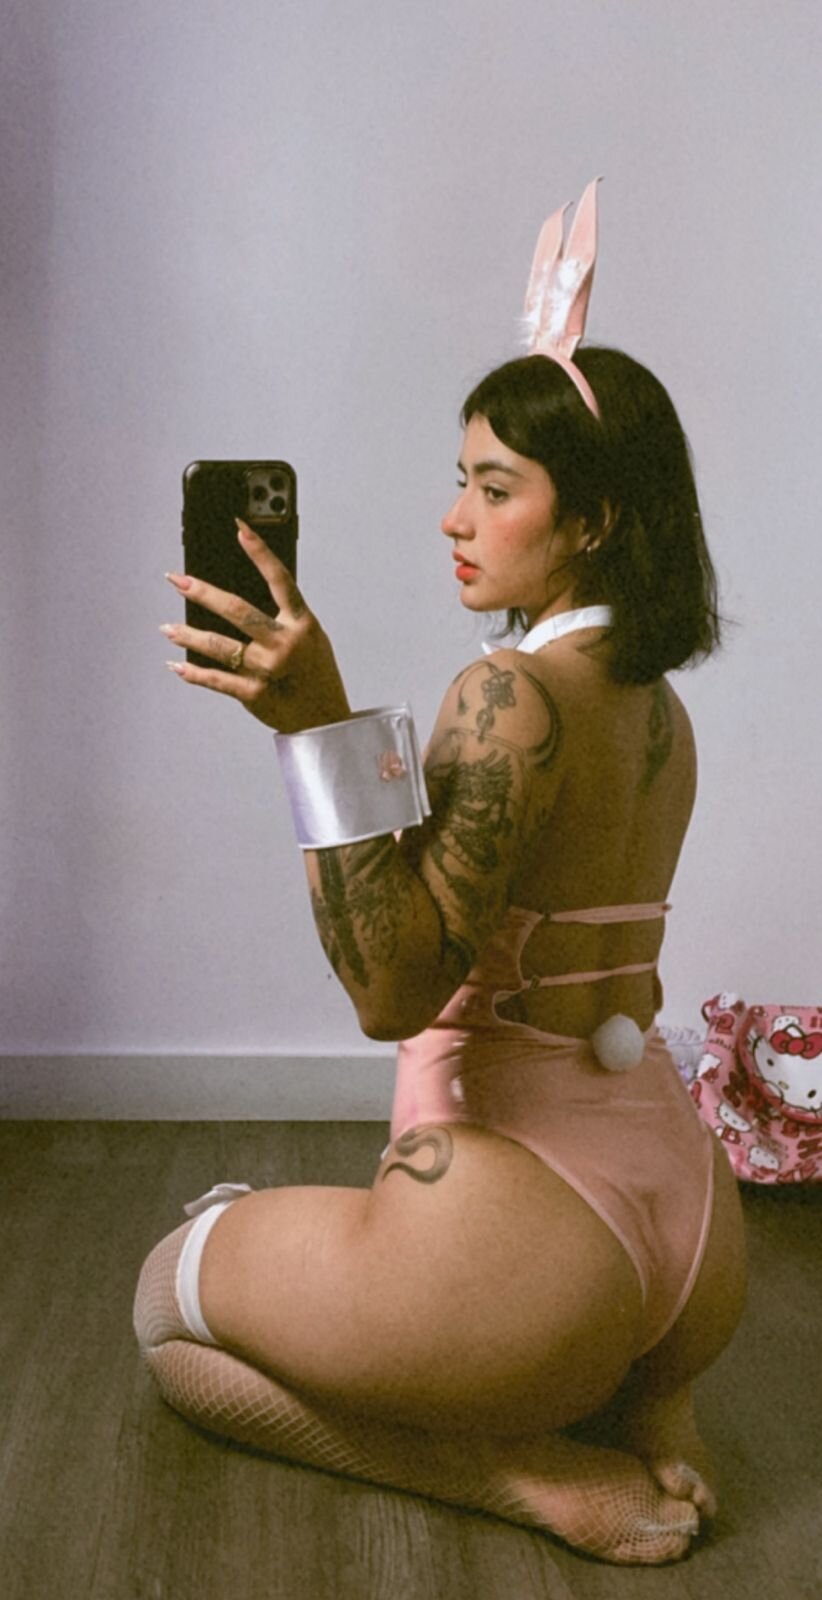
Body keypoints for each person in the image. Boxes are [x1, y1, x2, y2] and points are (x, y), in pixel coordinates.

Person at [134, 187, 747, 1566]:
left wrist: (317, 730)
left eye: (493, 488)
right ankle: (650, 1402)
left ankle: (508, 1471)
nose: (453, 518)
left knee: (165, 1315)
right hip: (689, 1239)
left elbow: (393, 992)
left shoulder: (508, 694)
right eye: (460, 479)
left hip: (537, 1254)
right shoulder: (654, 704)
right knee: (427, 1288)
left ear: (588, 519)